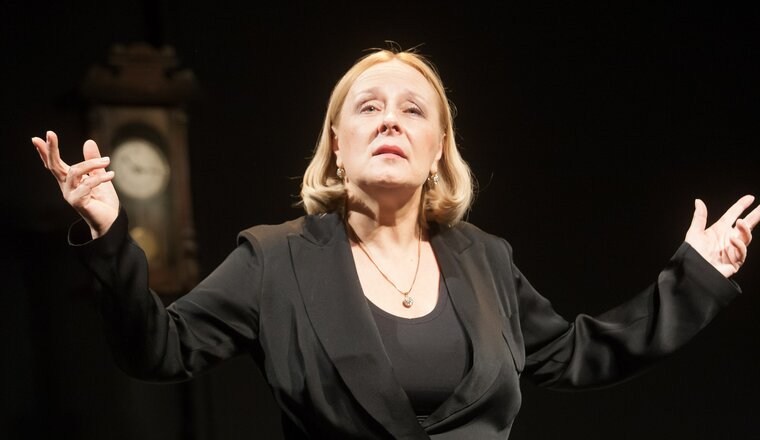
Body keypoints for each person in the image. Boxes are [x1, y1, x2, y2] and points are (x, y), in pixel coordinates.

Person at [32, 49, 758, 439]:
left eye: (413, 111)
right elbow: (157, 351)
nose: (390, 121)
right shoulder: (275, 259)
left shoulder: (485, 260)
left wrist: (694, 279)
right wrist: (107, 233)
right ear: (337, 145)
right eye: (369, 108)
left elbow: (575, 353)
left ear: (437, 148)